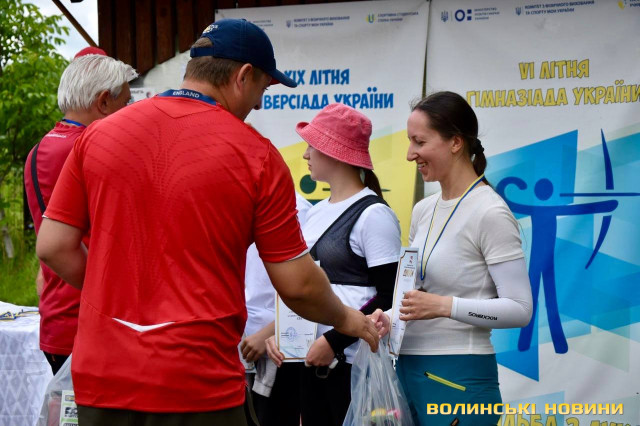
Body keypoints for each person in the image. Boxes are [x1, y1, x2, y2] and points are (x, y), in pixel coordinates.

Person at [35, 19, 378, 426]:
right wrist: (348, 320)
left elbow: (52, 246)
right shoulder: (257, 157)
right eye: (264, 89)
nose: (259, 105)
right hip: (197, 384)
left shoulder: (97, 137)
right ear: (243, 76)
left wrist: (112, 292)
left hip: (103, 380)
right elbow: (298, 285)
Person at [370, 91, 533, 426]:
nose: (410, 154)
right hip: (408, 368)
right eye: (410, 141)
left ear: (456, 142)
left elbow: (520, 309)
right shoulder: (423, 210)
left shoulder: (490, 212)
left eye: (419, 142)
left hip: (460, 373)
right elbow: (417, 294)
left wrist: (446, 306)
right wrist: (388, 317)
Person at [265, 103, 401, 426]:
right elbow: (308, 287)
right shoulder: (316, 212)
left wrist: (334, 342)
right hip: (312, 361)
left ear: (334, 152)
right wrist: (282, 332)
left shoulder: (374, 214)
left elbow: (389, 295)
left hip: (352, 365)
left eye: (311, 146)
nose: (305, 154)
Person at [23, 52, 137, 375]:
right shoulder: (92, 150)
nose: (129, 112)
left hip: (56, 317)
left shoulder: (37, 150)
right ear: (104, 102)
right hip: (94, 321)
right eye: (126, 102)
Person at [240, 192, 311, 426]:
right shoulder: (233, 201)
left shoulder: (298, 210)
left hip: (280, 349)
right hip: (235, 342)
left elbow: (307, 286)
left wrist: (272, 331)